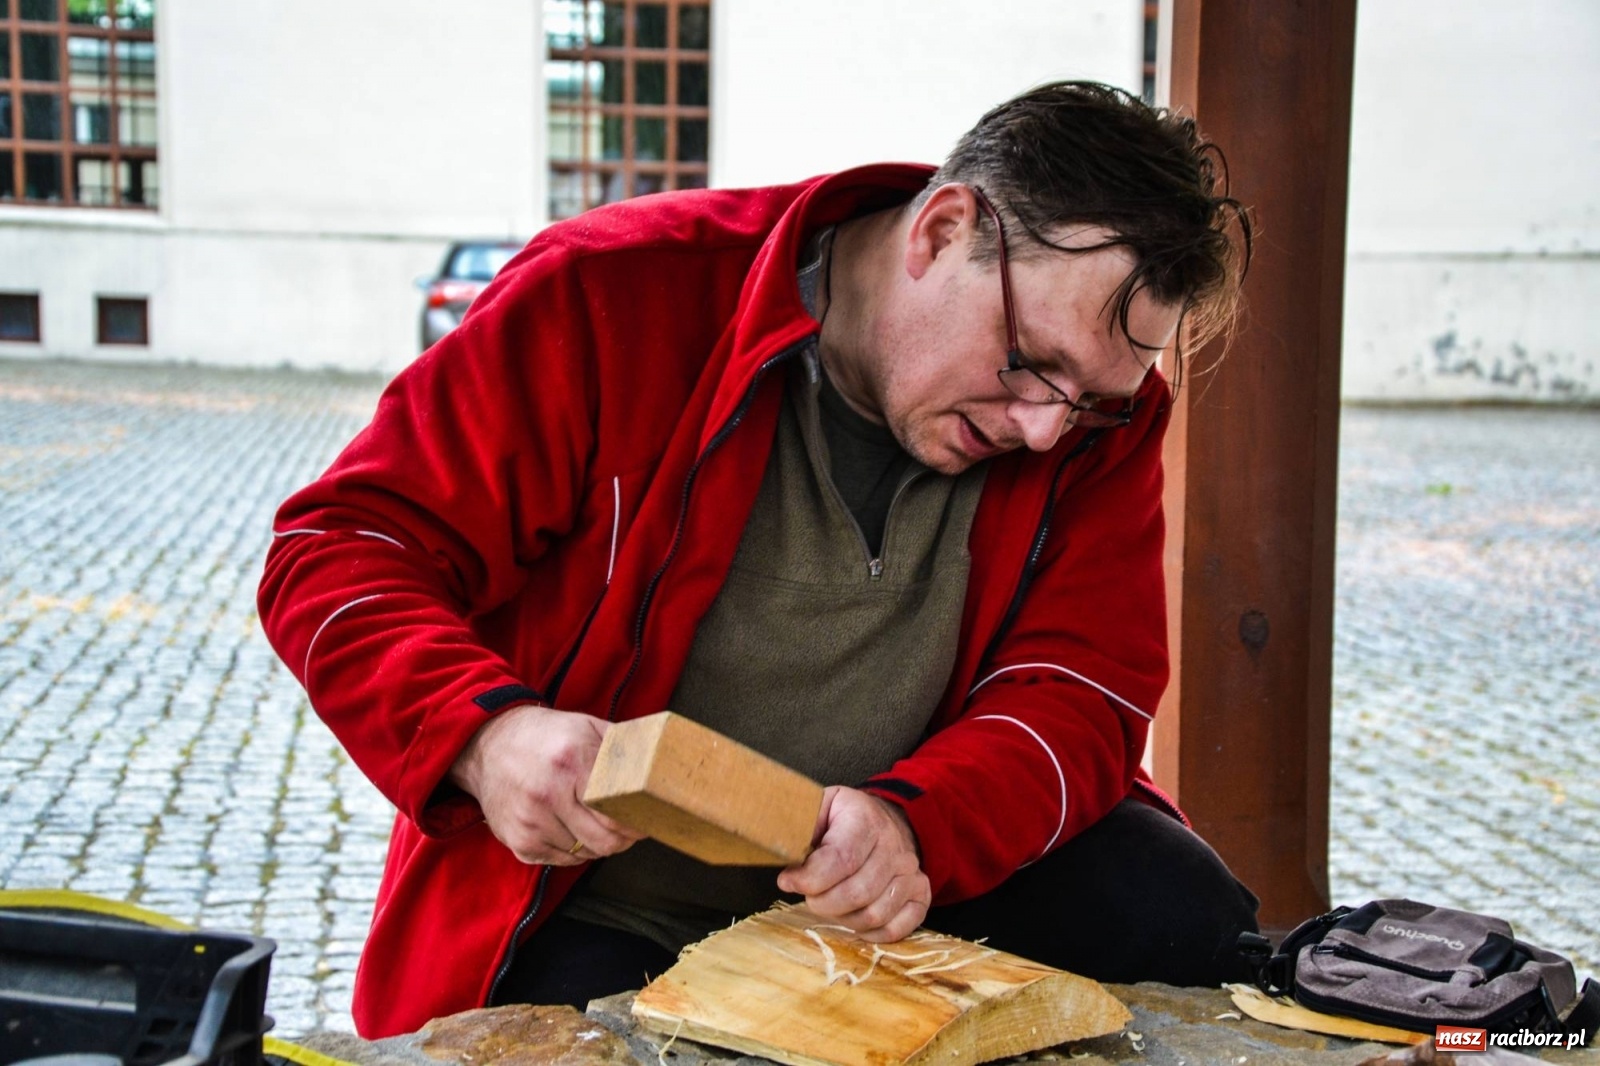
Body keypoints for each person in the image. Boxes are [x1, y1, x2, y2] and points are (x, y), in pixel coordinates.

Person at [259, 81, 1257, 1038]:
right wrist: (484, 736)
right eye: (1028, 361)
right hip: (598, 906)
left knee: (1184, 913)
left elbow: (1082, 690)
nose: (1046, 431)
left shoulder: (1096, 420)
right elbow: (341, 548)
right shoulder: (612, 290)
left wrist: (918, 826)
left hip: (902, 899)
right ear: (941, 229)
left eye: (1088, 397)